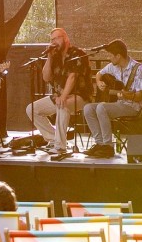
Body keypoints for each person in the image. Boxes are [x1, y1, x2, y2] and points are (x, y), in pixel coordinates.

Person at [26, 28, 93, 160]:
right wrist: (49, 57)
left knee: (62, 105)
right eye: (51, 40)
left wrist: (63, 96)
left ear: (65, 38)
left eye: (56, 38)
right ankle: (53, 138)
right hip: (59, 95)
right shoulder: (54, 56)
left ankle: (60, 146)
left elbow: (72, 77)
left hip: (79, 95)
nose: (53, 42)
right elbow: (46, 77)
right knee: (31, 109)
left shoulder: (78, 53)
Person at [82, 39, 142, 159]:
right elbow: (99, 74)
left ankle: (108, 147)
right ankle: (100, 143)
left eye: (110, 56)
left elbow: (139, 97)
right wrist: (99, 82)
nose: (109, 58)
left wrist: (125, 95)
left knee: (102, 107)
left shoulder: (139, 69)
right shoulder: (114, 66)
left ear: (118, 56)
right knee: (88, 108)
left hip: (132, 106)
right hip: (120, 103)